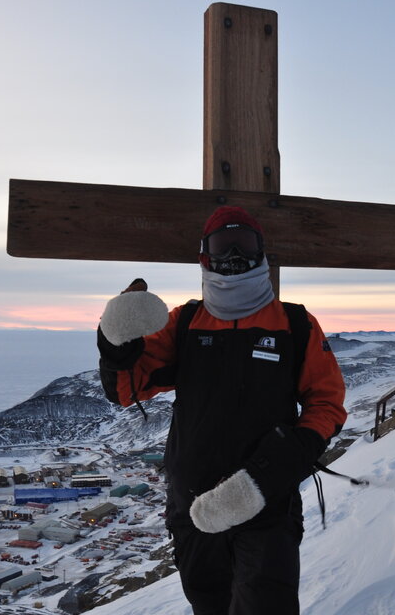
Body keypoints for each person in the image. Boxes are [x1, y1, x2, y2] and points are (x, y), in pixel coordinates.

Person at [96, 205, 347, 615]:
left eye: (243, 243)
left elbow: (326, 401)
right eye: (222, 245)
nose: (233, 255)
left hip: (266, 500)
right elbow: (129, 388)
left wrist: (289, 455)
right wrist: (117, 343)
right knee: (209, 605)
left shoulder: (295, 324)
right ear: (204, 256)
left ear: (261, 252)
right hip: (194, 507)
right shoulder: (186, 322)